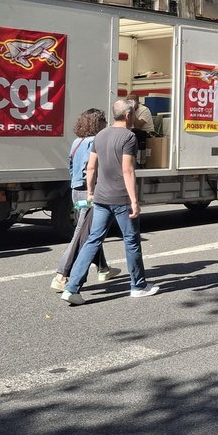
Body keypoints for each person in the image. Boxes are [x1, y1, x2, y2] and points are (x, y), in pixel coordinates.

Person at [61, 98, 159, 305]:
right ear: (128, 115)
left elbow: (91, 167)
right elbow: (127, 170)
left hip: (100, 196)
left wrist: (90, 192)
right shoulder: (129, 137)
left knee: (93, 240)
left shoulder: (100, 135)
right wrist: (134, 200)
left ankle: (72, 288)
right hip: (121, 197)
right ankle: (138, 285)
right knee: (131, 241)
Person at [50, 108, 117, 292]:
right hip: (89, 191)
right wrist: (93, 189)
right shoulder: (94, 142)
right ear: (98, 123)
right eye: (103, 121)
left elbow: (71, 165)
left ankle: (103, 269)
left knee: (90, 230)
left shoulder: (77, 142)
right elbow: (91, 168)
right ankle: (61, 275)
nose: (105, 125)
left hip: (75, 190)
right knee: (81, 232)